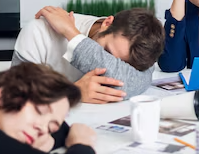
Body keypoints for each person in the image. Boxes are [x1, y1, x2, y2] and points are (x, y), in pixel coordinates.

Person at [12, 6, 164, 103]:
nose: (107, 65)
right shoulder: (38, 31)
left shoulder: (141, 48)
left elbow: (139, 80)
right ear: (107, 23)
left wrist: (70, 33)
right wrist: (71, 93)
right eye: (106, 52)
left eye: (121, 65)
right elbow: (14, 97)